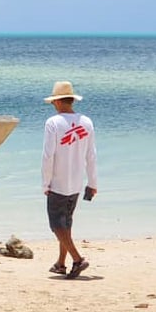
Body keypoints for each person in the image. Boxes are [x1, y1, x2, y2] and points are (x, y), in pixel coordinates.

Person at [42, 81, 98, 278]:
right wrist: (92, 183)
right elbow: (91, 156)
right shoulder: (87, 122)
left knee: (56, 225)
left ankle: (77, 259)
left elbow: (48, 156)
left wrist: (45, 182)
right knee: (66, 224)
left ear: (57, 102)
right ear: (71, 100)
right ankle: (60, 263)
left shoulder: (53, 123)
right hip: (76, 181)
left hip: (58, 181)